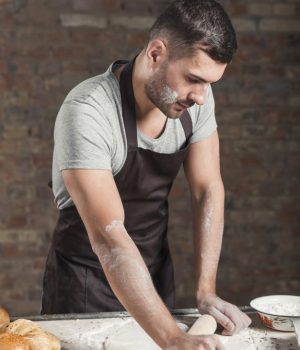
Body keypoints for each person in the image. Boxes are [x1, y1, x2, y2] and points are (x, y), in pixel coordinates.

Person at [42, 0, 251, 348]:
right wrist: (170, 338)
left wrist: (206, 290)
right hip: (84, 290)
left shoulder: (195, 99)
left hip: (153, 281)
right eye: (193, 79)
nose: (200, 97)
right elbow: (109, 237)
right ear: (156, 53)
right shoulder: (88, 112)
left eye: (209, 84)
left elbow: (207, 190)